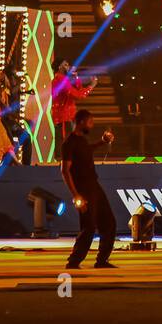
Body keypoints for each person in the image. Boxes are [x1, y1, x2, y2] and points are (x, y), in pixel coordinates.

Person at [61, 109, 117, 269]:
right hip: (83, 189)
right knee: (89, 226)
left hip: (94, 186)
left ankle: (101, 261)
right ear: (81, 122)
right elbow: (64, 171)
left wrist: (102, 142)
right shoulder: (69, 143)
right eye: (90, 122)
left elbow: (86, 151)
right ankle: (73, 261)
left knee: (109, 222)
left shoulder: (82, 141)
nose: (92, 126)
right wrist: (76, 195)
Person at [51, 61, 97, 139]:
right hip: (64, 119)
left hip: (67, 118)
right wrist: (91, 86)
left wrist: (76, 78)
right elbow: (78, 95)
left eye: (68, 64)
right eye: (65, 65)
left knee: (71, 144)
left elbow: (79, 91)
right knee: (67, 145)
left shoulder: (63, 79)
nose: (69, 67)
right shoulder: (61, 80)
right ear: (59, 67)